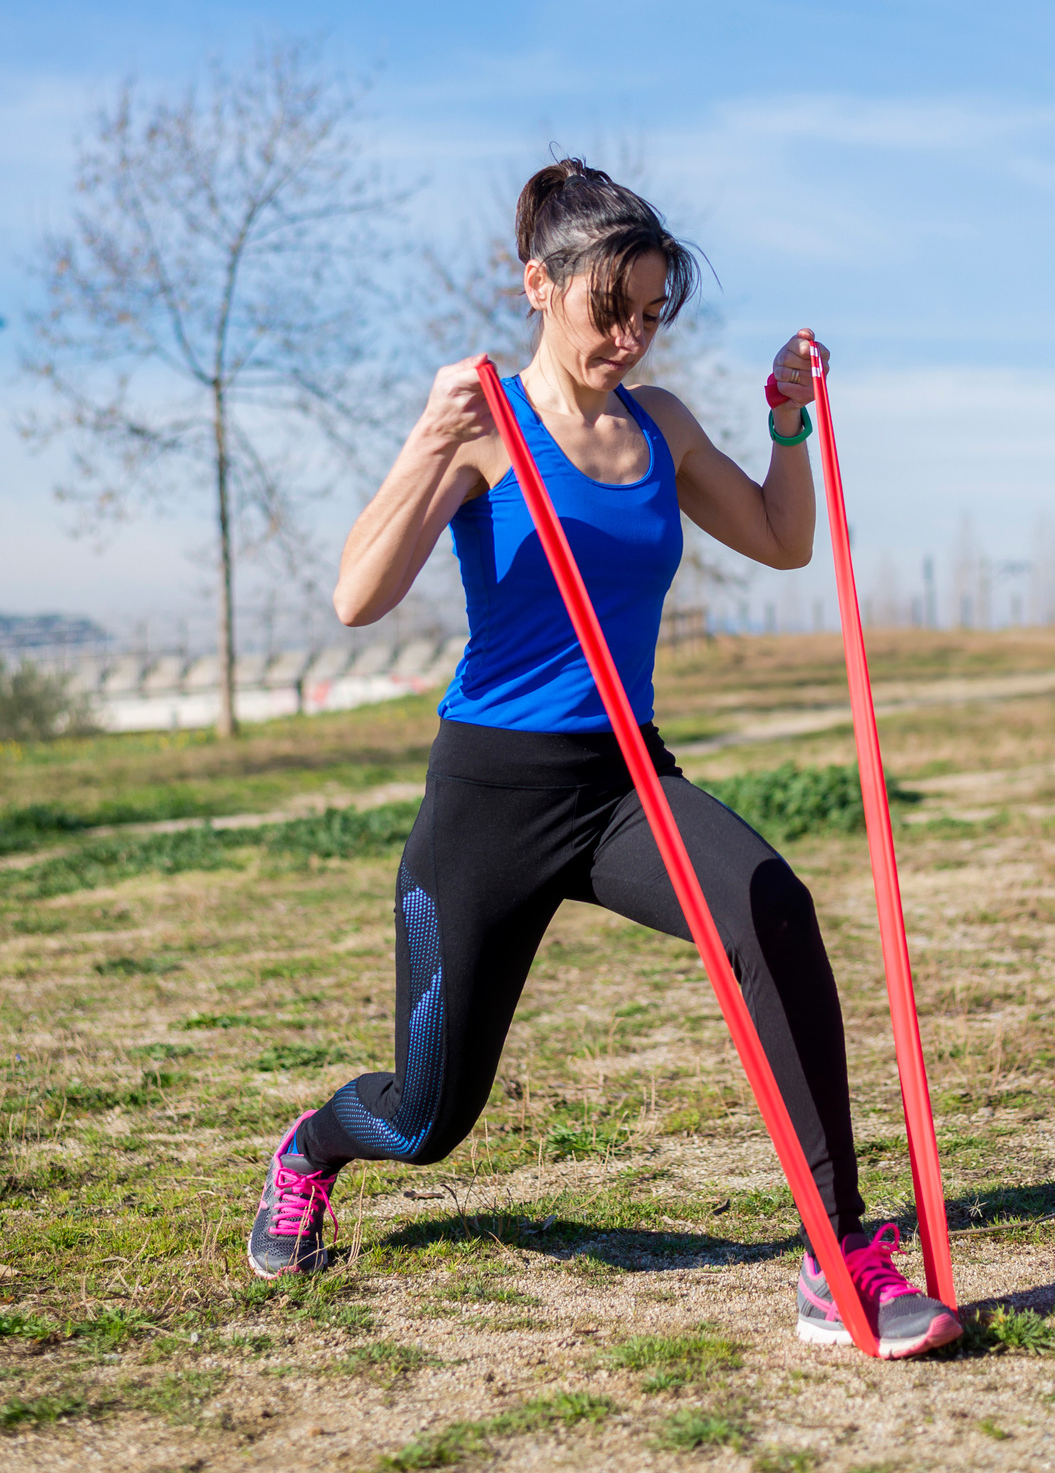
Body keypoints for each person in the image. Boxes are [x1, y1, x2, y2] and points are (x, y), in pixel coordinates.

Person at [246, 160, 961, 1360]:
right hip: (487, 795)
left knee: (769, 906)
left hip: (622, 778)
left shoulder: (659, 424)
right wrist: (428, 443)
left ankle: (836, 1257)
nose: (628, 337)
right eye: (607, 309)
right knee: (429, 1115)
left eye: (650, 312)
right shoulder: (483, 425)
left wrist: (785, 418)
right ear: (537, 285)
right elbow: (357, 593)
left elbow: (783, 540)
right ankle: (311, 1148)